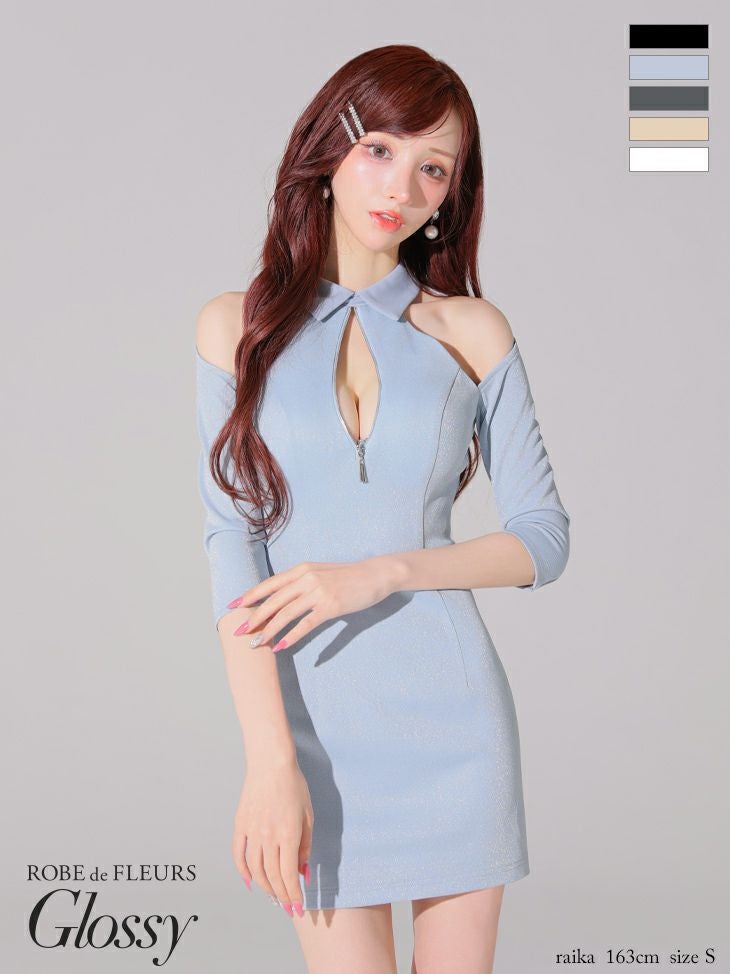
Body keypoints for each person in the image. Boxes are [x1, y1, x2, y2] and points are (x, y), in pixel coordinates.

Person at [195, 44, 570, 974]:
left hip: (455, 724)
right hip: (311, 728)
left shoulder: (472, 331)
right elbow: (232, 542)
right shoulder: (235, 328)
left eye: (434, 168)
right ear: (330, 151)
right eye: (381, 150)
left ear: (450, 196)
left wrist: (387, 571)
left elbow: (543, 539)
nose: (402, 186)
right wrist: (270, 762)